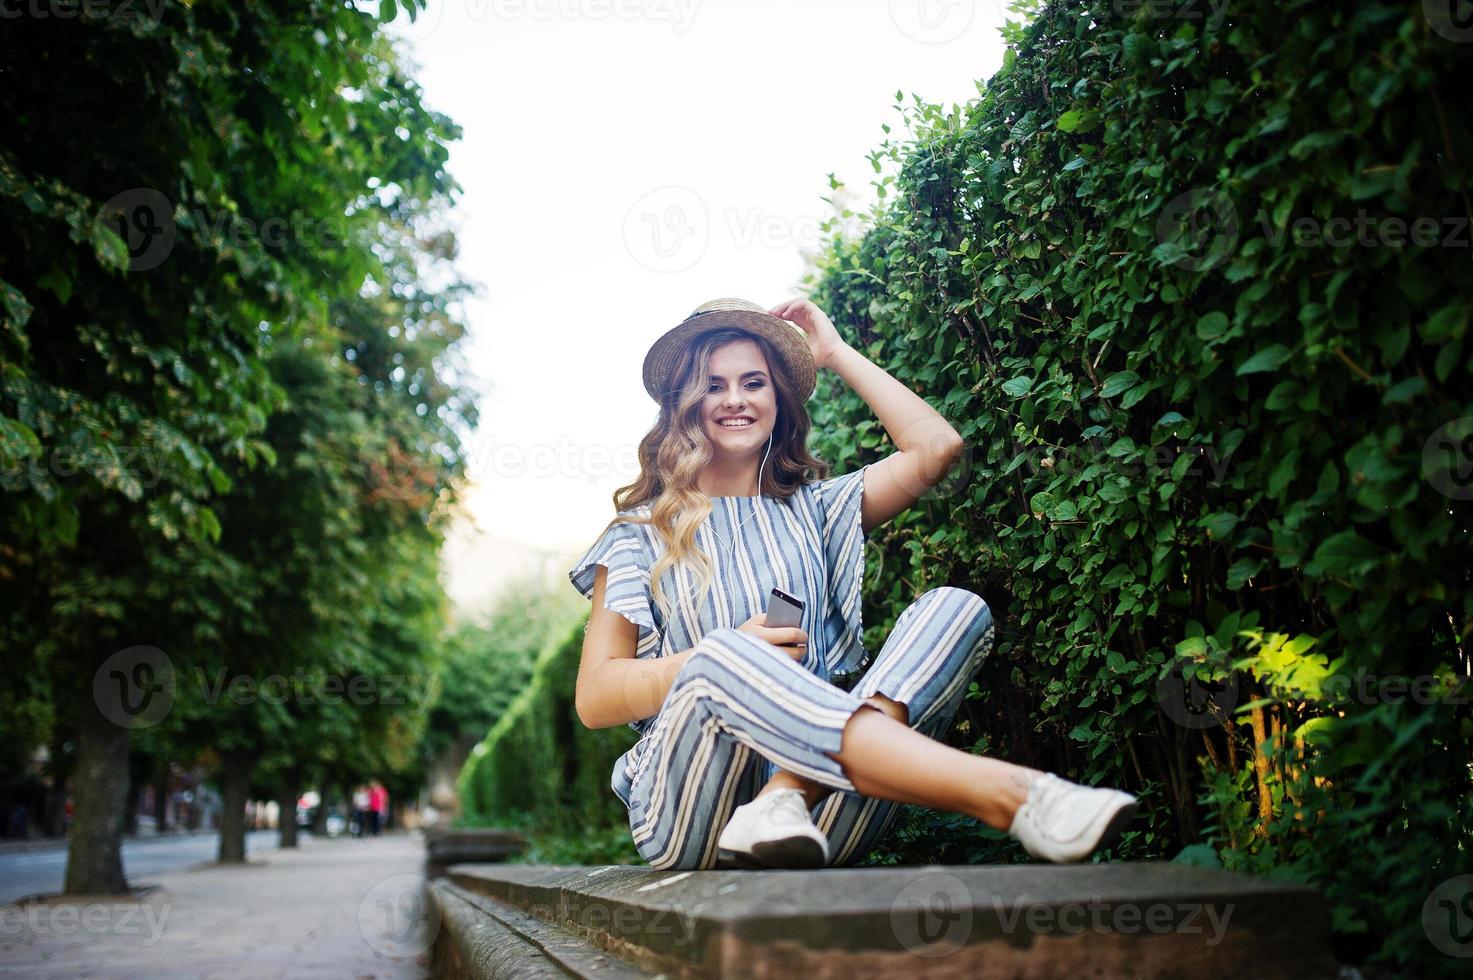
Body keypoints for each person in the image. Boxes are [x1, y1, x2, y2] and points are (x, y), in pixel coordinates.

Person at [568, 297, 1138, 871]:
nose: (736, 399)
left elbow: (937, 450)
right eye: (713, 385)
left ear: (778, 400)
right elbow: (595, 698)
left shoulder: (816, 509)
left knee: (955, 608)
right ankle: (1018, 796)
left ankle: (782, 797)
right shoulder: (640, 534)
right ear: (685, 405)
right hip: (689, 809)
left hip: (820, 820)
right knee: (721, 656)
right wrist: (723, 655)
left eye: (754, 382)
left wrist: (836, 354)